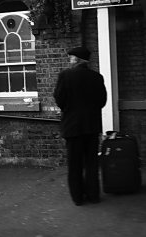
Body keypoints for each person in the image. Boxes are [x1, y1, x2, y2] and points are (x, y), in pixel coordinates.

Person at [54, 46, 107, 206]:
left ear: (76, 59)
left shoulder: (65, 76)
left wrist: (69, 109)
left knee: (75, 164)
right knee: (91, 163)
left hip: (73, 127)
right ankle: (93, 195)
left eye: (71, 58)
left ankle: (78, 197)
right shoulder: (97, 77)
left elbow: (59, 99)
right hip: (91, 126)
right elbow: (102, 101)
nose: (69, 60)